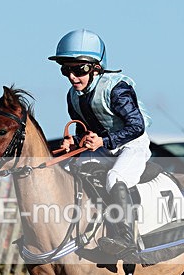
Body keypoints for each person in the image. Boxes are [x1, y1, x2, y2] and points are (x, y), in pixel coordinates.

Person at [49, 28, 152, 258]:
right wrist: (73, 142)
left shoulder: (117, 89)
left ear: (96, 68)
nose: (72, 77)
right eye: (66, 70)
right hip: (104, 146)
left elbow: (137, 126)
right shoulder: (73, 95)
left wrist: (104, 140)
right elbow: (83, 129)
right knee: (68, 170)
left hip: (131, 145)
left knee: (115, 177)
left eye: (79, 69)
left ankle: (126, 239)